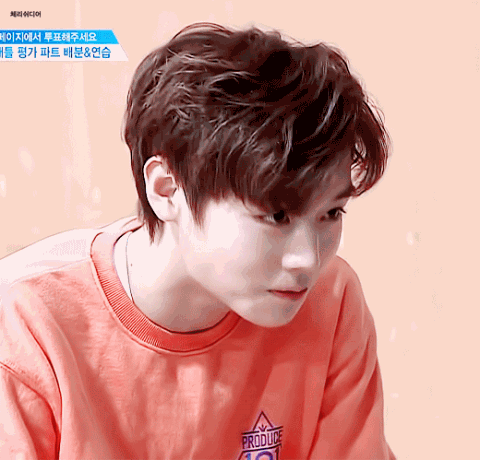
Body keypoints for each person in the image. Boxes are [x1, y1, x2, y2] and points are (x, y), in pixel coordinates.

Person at [0, 22, 396, 459]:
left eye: (331, 213)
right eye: (277, 215)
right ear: (167, 189)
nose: (308, 259)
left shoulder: (329, 300)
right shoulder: (26, 326)